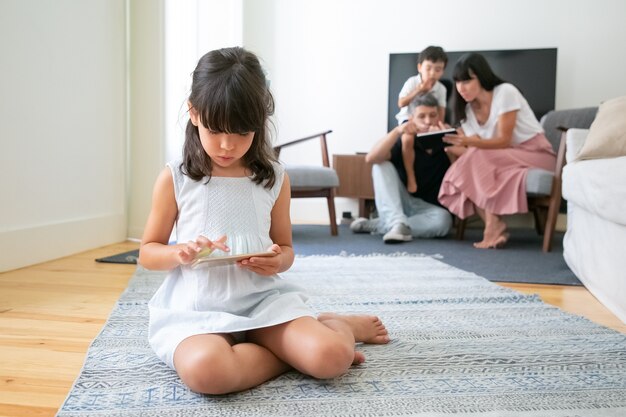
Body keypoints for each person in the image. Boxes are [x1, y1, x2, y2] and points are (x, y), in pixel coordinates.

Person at [139, 47, 389, 395]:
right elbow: (147, 252)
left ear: (260, 122)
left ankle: (338, 327)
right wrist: (181, 252)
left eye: (242, 132)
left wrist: (277, 261)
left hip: (263, 304)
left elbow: (286, 249)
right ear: (194, 114)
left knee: (332, 357)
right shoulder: (176, 178)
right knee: (206, 372)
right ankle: (294, 352)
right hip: (198, 311)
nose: (227, 145)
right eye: (216, 130)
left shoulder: (273, 177)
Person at [438, 52, 557, 249]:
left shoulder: (505, 92)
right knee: (466, 162)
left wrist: (469, 142)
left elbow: (503, 140)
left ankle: (493, 226)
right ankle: (494, 224)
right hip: (502, 158)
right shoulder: (468, 111)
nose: (461, 88)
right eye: (458, 82)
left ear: (482, 76)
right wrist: (448, 139)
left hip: (537, 155)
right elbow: (471, 149)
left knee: (475, 159)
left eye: (467, 81)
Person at [351, 93, 453, 243]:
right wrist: (398, 130)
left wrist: (448, 142)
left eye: (432, 115)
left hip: (429, 209)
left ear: (439, 116)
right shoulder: (405, 140)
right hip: (400, 201)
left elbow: (461, 170)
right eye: (421, 116)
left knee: (444, 221)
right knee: (380, 164)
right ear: (411, 119)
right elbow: (371, 158)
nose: (428, 121)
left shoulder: (448, 139)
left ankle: (384, 225)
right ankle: (396, 223)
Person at [395, 46, 449, 193]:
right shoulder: (412, 82)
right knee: (407, 139)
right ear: (420, 67)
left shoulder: (441, 89)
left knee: (449, 137)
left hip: (429, 122)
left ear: (443, 71)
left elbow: (441, 113)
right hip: (409, 120)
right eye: (428, 68)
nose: (432, 73)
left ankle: (451, 180)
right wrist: (419, 89)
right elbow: (401, 103)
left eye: (438, 70)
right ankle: (411, 177)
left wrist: (438, 127)